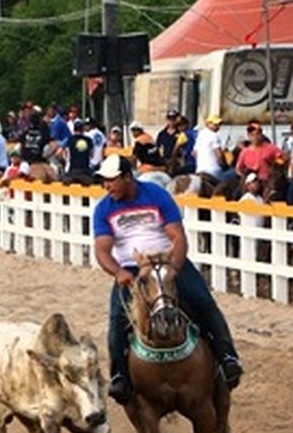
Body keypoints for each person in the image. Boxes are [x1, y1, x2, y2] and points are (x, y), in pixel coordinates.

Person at [92, 154, 244, 404]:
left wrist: (174, 266)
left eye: (111, 181)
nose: (107, 187)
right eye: (104, 182)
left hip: (166, 261)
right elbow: (102, 249)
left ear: (127, 177)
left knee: (202, 301)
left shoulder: (155, 194)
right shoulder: (104, 208)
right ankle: (120, 375)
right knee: (118, 318)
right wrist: (119, 272)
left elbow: (177, 236)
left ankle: (227, 356)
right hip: (133, 268)